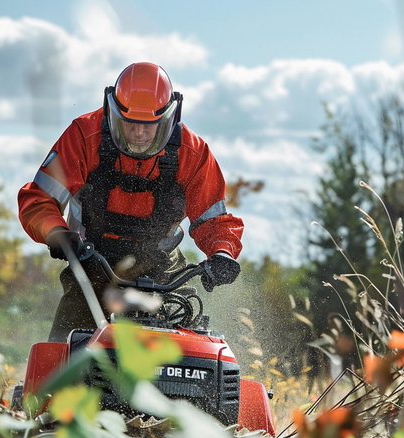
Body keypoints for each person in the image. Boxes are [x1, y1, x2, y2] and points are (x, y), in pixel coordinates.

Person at [18, 62, 244, 342]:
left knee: (194, 343)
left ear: (169, 118)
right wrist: (57, 234)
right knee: (66, 346)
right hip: (93, 260)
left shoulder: (193, 153)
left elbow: (214, 220)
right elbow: (38, 199)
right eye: (129, 123)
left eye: (149, 126)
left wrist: (221, 253)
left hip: (164, 268)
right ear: (112, 112)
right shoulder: (82, 136)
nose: (138, 133)